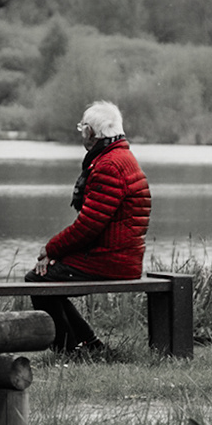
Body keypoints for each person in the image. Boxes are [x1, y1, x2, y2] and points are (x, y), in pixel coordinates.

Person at [27, 100, 151, 355]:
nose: (81, 133)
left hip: (111, 258)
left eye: (82, 127)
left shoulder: (108, 165)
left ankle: (69, 349)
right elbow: (93, 225)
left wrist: (51, 249)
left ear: (90, 133)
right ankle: (89, 344)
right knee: (47, 275)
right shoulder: (121, 156)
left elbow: (89, 226)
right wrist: (56, 253)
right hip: (119, 254)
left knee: (36, 279)